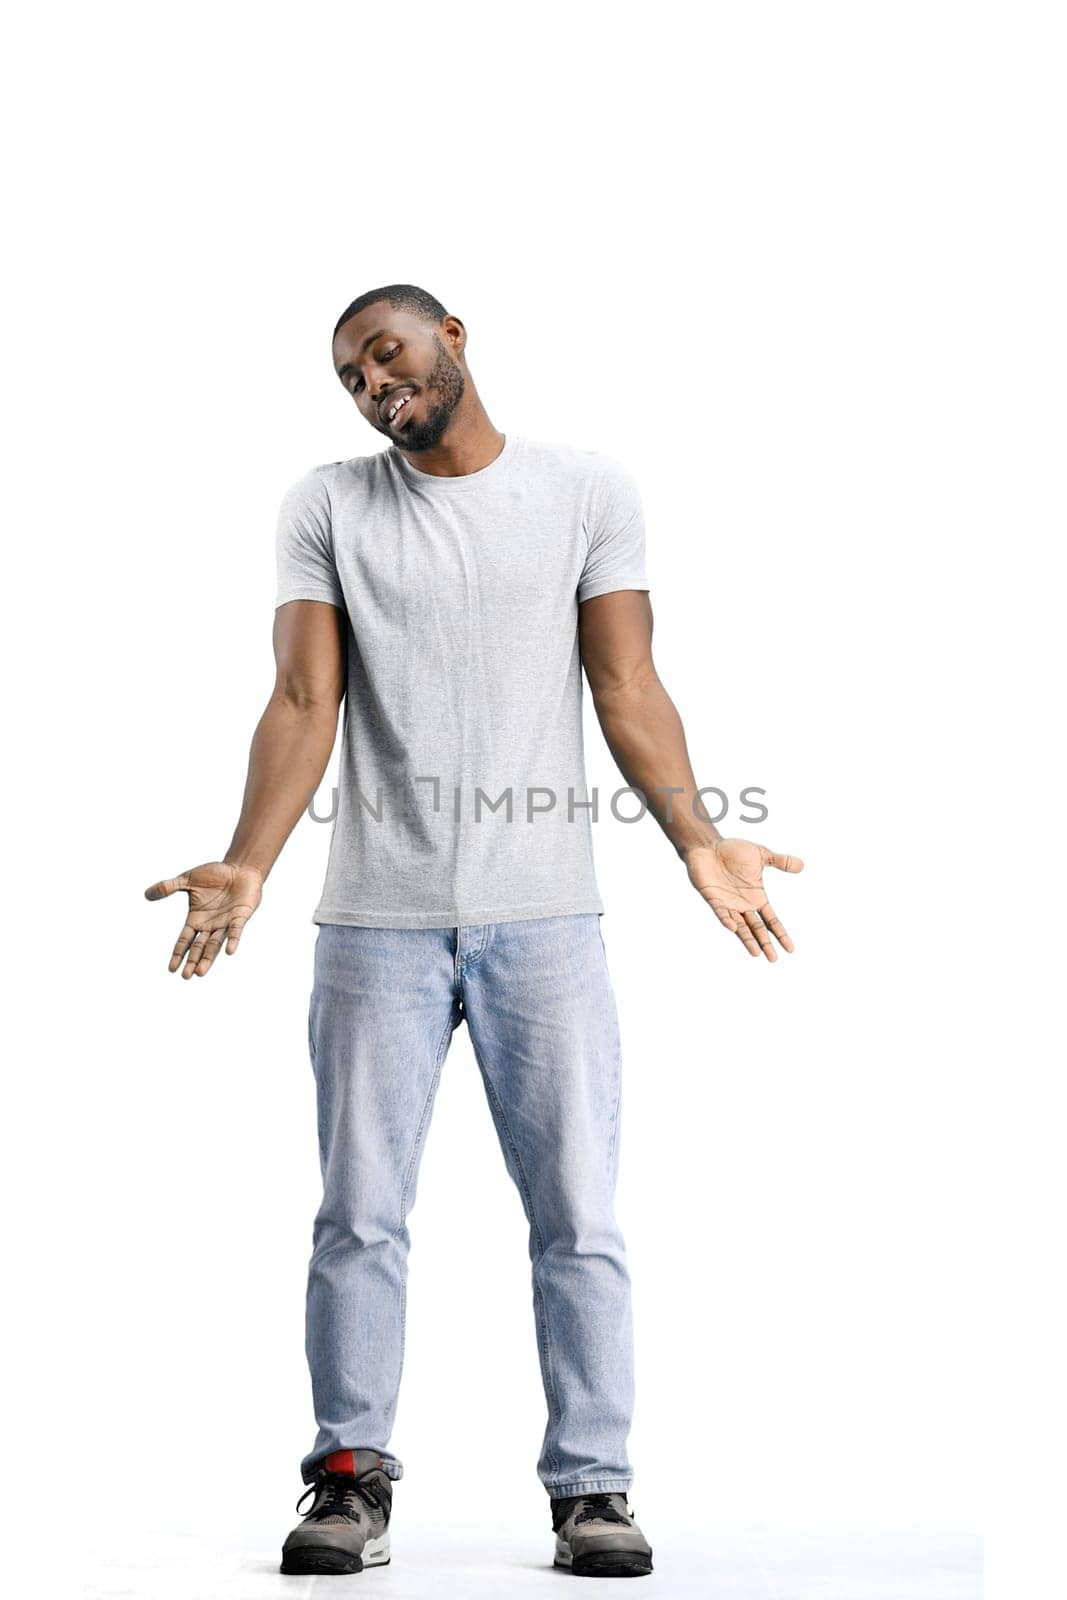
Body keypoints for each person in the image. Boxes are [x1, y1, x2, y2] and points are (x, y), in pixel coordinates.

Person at [144, 283, 804, 1579]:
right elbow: (300, 696)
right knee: (360, 1218)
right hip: (373, 931)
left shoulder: (585, 489)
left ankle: (593, 1491)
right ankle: (348, 1478)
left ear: (454, 339)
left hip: (545, 926)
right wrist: (249, 860)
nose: (371, 382)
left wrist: (697, 840)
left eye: (384, 351)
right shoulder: (327, 504)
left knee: (577, 1217)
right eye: (347, 374)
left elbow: (627, 683)